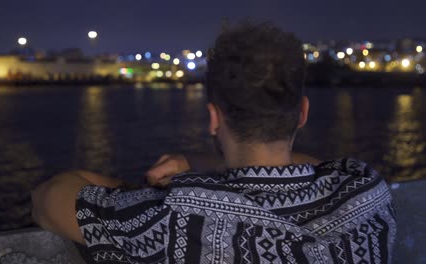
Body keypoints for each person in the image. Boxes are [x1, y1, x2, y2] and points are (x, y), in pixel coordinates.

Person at [32, 21, 396, 263]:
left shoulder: (179, 219)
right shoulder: (367, 193)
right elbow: (316, 168)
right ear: (302, 112)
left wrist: (141, 193)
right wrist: (202, 162)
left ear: (213, 118)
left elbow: (48, 199)